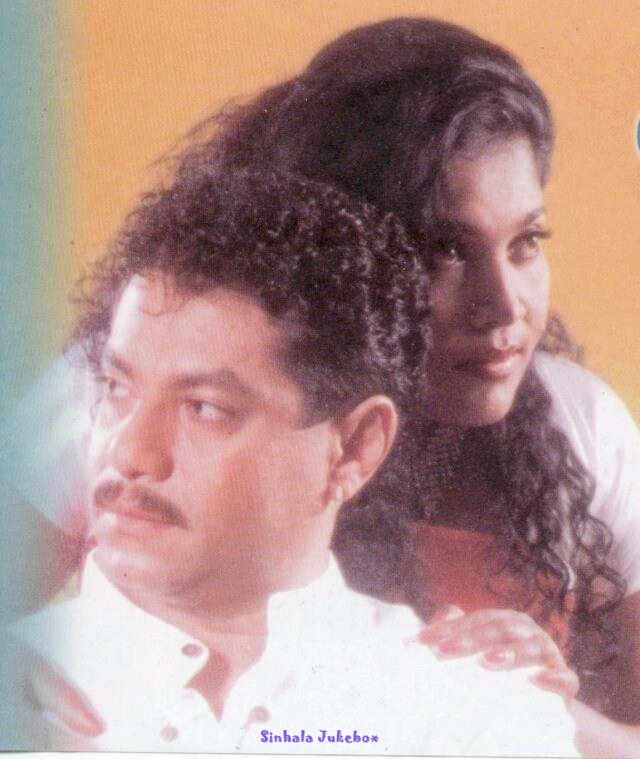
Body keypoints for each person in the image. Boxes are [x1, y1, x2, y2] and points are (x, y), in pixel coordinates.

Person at [4, 15, 639, 757]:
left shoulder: (579, 425)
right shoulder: (127, 382)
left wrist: (541, 715)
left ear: (361, 443)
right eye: (444, 249)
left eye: (526, 243)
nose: (503, 307)